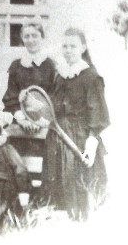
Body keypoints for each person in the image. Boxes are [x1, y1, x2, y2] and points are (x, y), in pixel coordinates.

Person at [41, 28, 109, 220]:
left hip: (79, 136)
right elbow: (53, 104)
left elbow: (98, 113)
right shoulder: (60, 75)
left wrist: (92, 141)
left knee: (81, 183)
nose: (68, 50)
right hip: (59, 134)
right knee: (59, 180)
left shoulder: (91, 77)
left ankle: (82, 220)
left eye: (73, 46)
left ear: (83, 48)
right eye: (65, 46)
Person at [2, 17, 57, 132]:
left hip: (45, 121)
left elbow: (54, 97)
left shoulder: (51, 65)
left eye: (35, 35)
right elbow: (11, 98)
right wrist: (22, 119)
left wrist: (40, 120)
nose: (31, 40)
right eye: (27, 36)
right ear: (22, 39)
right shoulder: (16, 65)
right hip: (21, 121)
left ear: (42, 37)